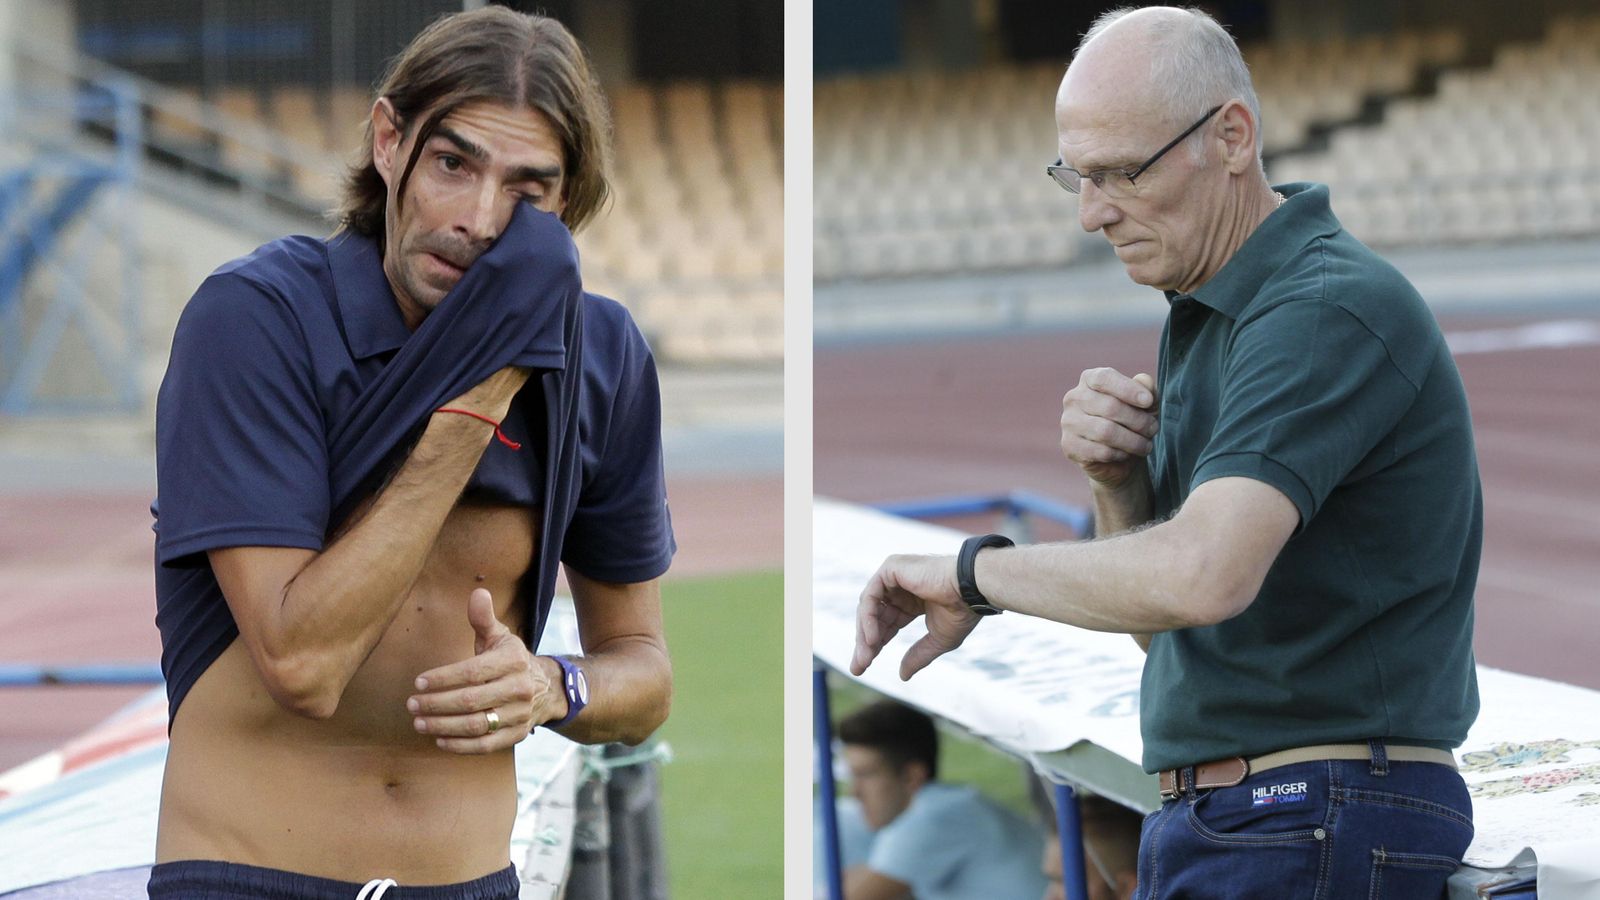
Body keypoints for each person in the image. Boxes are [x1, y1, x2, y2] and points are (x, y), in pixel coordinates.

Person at [851, 7, 1481, 899]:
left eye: (1121, 173)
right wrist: (1120, 483)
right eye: (1076, 174)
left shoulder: (1320, 310)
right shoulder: (1215, 315)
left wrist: (973, 574)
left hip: (1308, 810)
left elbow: (1201, 578)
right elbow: (1173, 630)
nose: (1091, 213)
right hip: (1267, 812)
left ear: (1231, 137)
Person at [148, 8, 674, 899]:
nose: (475, 218)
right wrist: (475, 405)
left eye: (526, 190)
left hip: (471, 880)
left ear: (565, 208)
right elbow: (302, 665)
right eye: (452, 164)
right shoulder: (256, 320)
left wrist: (555, 686)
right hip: (246, 876)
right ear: (389, 142)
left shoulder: (603, 358)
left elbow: (644, 673)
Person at [826, 700, 1048, 900]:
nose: (854, 792)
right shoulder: (948, 805)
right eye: (853, 775)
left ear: (911, 776)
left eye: (866, 775)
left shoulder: (931, 818)